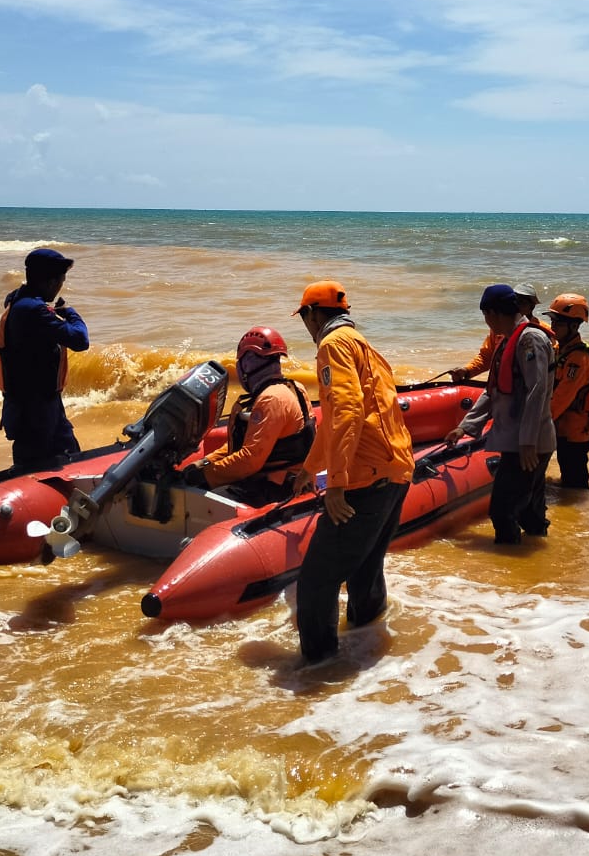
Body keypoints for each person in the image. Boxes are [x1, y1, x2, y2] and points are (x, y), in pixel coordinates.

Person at [290, 280, 415, 664]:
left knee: (315, 581)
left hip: (367, 477)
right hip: (396, 470)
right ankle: (367, 638)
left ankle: (318, 668)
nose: (306, 327)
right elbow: (338, 418)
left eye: (305, 318)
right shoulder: (363, 345)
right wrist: (311, 468)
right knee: (364, 566)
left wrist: (337, 484)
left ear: (313, 314)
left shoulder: (332, 345)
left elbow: (346, 411)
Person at [444, 283, 555, 543]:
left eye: (485, 316)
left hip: (527, 444)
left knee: (502, 511)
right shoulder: (507, 340)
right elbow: (493, 390)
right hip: (520, 440)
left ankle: (511, 568)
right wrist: (466, 426)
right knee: (529, 510)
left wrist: (528, 442)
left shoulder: (531, 339)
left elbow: (536, 391)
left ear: (492, 313)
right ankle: (538, 570)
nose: (486, 322)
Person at [177, 327, 315, 506]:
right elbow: (244, 445)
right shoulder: (294, 387)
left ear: (248, 363)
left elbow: (250, 460)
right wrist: (205, 462)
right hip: (286, 479)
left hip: (276, 487)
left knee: (197, 499)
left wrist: (205, 475)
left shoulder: (270, 399)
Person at [0, 247, 89, 471]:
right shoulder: (34, 311)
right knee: (36, 469)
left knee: (71, 461)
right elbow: (80, 340)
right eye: (60, 280)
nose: (60, 287)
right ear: (48, 281)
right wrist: (69, 312)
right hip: (35, 412)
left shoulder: (18, 301)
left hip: (38, 405)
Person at [545, 293, 589, 490]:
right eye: (553, 321)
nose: (553, 327)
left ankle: (580, 518)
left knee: (575, 488)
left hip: (574, 432)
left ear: (574, 326)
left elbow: (561, 398)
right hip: (560, 427)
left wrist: (538, 424)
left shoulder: (579, 358)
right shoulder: (560, 350)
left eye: (558, 323)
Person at [447, 282, 551, 383]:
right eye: (514, 301)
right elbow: (486, 357)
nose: (516, 305)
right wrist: (467, 371)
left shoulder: (538, 334)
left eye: (522, 302)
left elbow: (539, 382)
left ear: (531, 306)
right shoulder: (499, 331)